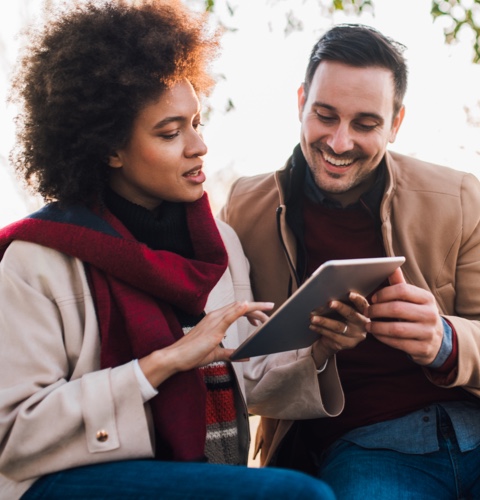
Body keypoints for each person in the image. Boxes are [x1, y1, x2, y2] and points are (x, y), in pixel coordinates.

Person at [0, 2, 338, 499]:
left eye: (196, 122)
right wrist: (163, 364)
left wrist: (323, 349)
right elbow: (13, 433)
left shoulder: (217, 245)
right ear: (110, 148)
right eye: (169, 132)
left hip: (204, 471)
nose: (198, 145)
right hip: (64, 482)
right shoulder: (37, 259)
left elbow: (237, 379)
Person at [220, 23, 480, 499]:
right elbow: (239, 360)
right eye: (325, 116)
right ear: (301, 102)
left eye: (365, 124)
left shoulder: (460, 197)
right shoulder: (244, 209)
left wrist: (445, 341)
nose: (339, 143)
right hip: (364, 445)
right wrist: (317, 351)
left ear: (396, 123)